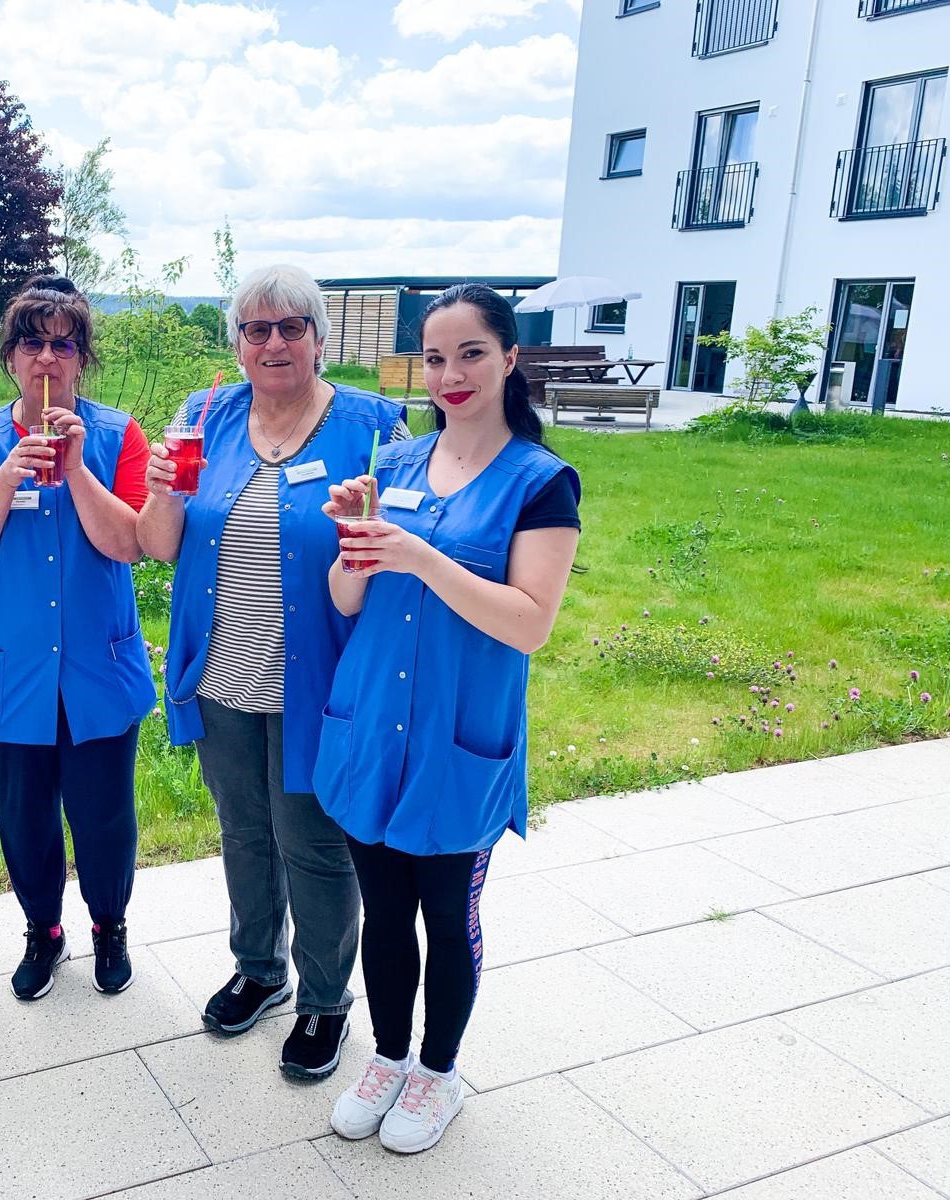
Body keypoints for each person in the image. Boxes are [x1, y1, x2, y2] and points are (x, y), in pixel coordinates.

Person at [317, 283, 581, 1153]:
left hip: (457, 736)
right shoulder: (393, 465)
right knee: (383, 913)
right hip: (371, 724)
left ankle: (438, 1072)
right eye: (435, 357)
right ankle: (387, 1056)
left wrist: (421, 556)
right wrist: (354, 545)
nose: (451, 374)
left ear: (510, 357)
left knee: (445, 914)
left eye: (471, 353)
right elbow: (346, 597)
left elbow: (528, 621)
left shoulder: (541, 484)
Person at [137, 264, 407, 1080]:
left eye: (292, 326)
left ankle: (325, 1003)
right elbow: (161, 543)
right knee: (244, 834)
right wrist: (158, 489)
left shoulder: (371, 425)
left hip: (319, 682)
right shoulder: (207, 414)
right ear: (238, 345)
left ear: (320, 338)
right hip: (221, 672)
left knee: (314, 845)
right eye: (256, 329)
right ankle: (259, 970)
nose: (274, 342)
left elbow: (393, 553)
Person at [0, 275, 156, 1001]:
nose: (47, 360)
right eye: (32, 343)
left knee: (104, 817)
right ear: (10, 356)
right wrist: (7, 474)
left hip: (99, 665)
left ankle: (109, 926)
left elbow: (130, 544)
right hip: (14, 670)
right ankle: (43, 930)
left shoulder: (119, 435)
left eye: (63, 345)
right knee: (25, 819)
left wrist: (80, 466)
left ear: (82, 358)